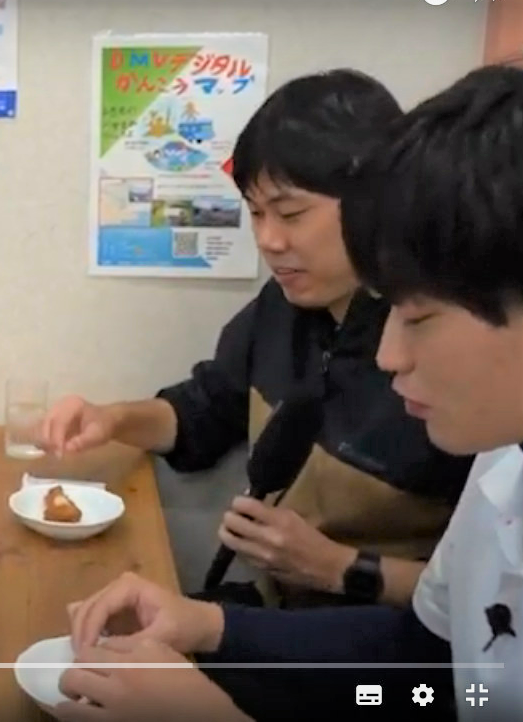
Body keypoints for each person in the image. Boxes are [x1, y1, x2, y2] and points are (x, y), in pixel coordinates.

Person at [52, 63, 523, 722]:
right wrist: (206, 625)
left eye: (417, 317)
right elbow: (427, 647)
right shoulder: (502, 466)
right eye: (256, 214)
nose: (389, 356)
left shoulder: (480, 431)